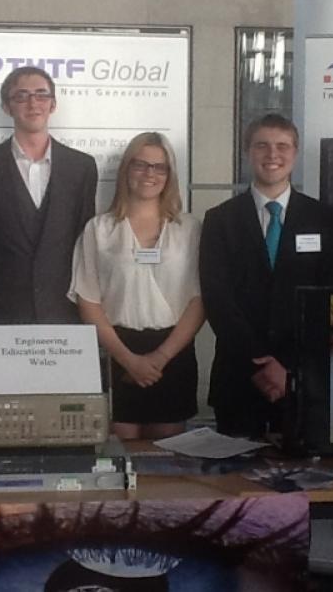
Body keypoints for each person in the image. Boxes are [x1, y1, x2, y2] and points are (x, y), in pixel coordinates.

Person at [199, 113, 333, 438]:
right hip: (238, 377)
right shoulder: (220, 220)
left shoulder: (325, 219)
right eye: (262, 145)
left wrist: (287, 366)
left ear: (295, 153)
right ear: (248, 152)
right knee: (235, 469)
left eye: (282, 146)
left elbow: (330, 298)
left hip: (302, 378)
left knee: (303, 468)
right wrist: (259, 363)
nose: (272, 154)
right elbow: (217, 299)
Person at [69, 132, 204, 439]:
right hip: (117, 352)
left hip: (174, 352)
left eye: (159, 167)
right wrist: (127, 359)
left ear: (169, 174)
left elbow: (199, 300)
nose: (149, 174)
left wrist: (161, 357)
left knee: (170, 456)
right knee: (120, 450)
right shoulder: (99, 229)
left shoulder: (189, 229)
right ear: (126, 169)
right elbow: (88, 300)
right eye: (140, 164)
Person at [0, 65, 97, 325]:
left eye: (41, 95)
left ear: (53, 104)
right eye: (21, 96)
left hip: (65, 312)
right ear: (6, 107)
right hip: (1, 311)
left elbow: (84, 242)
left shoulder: (82, 167)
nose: (33, 103)